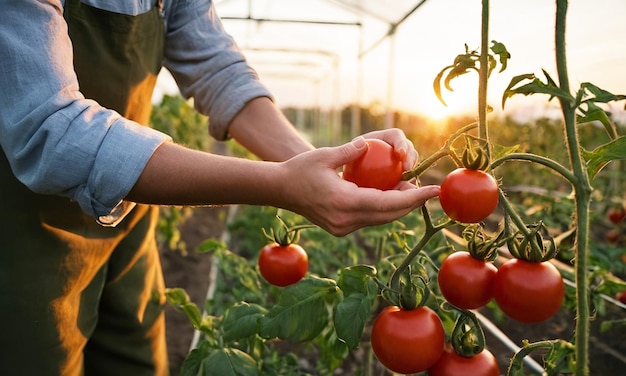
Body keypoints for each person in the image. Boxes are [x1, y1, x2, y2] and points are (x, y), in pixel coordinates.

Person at [0, 1, 440, 375]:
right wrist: (282, 184)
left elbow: (218, 69)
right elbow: (49, 126)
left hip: (128, 211)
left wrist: (331, 161)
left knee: (136, 360)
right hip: (22, 231)